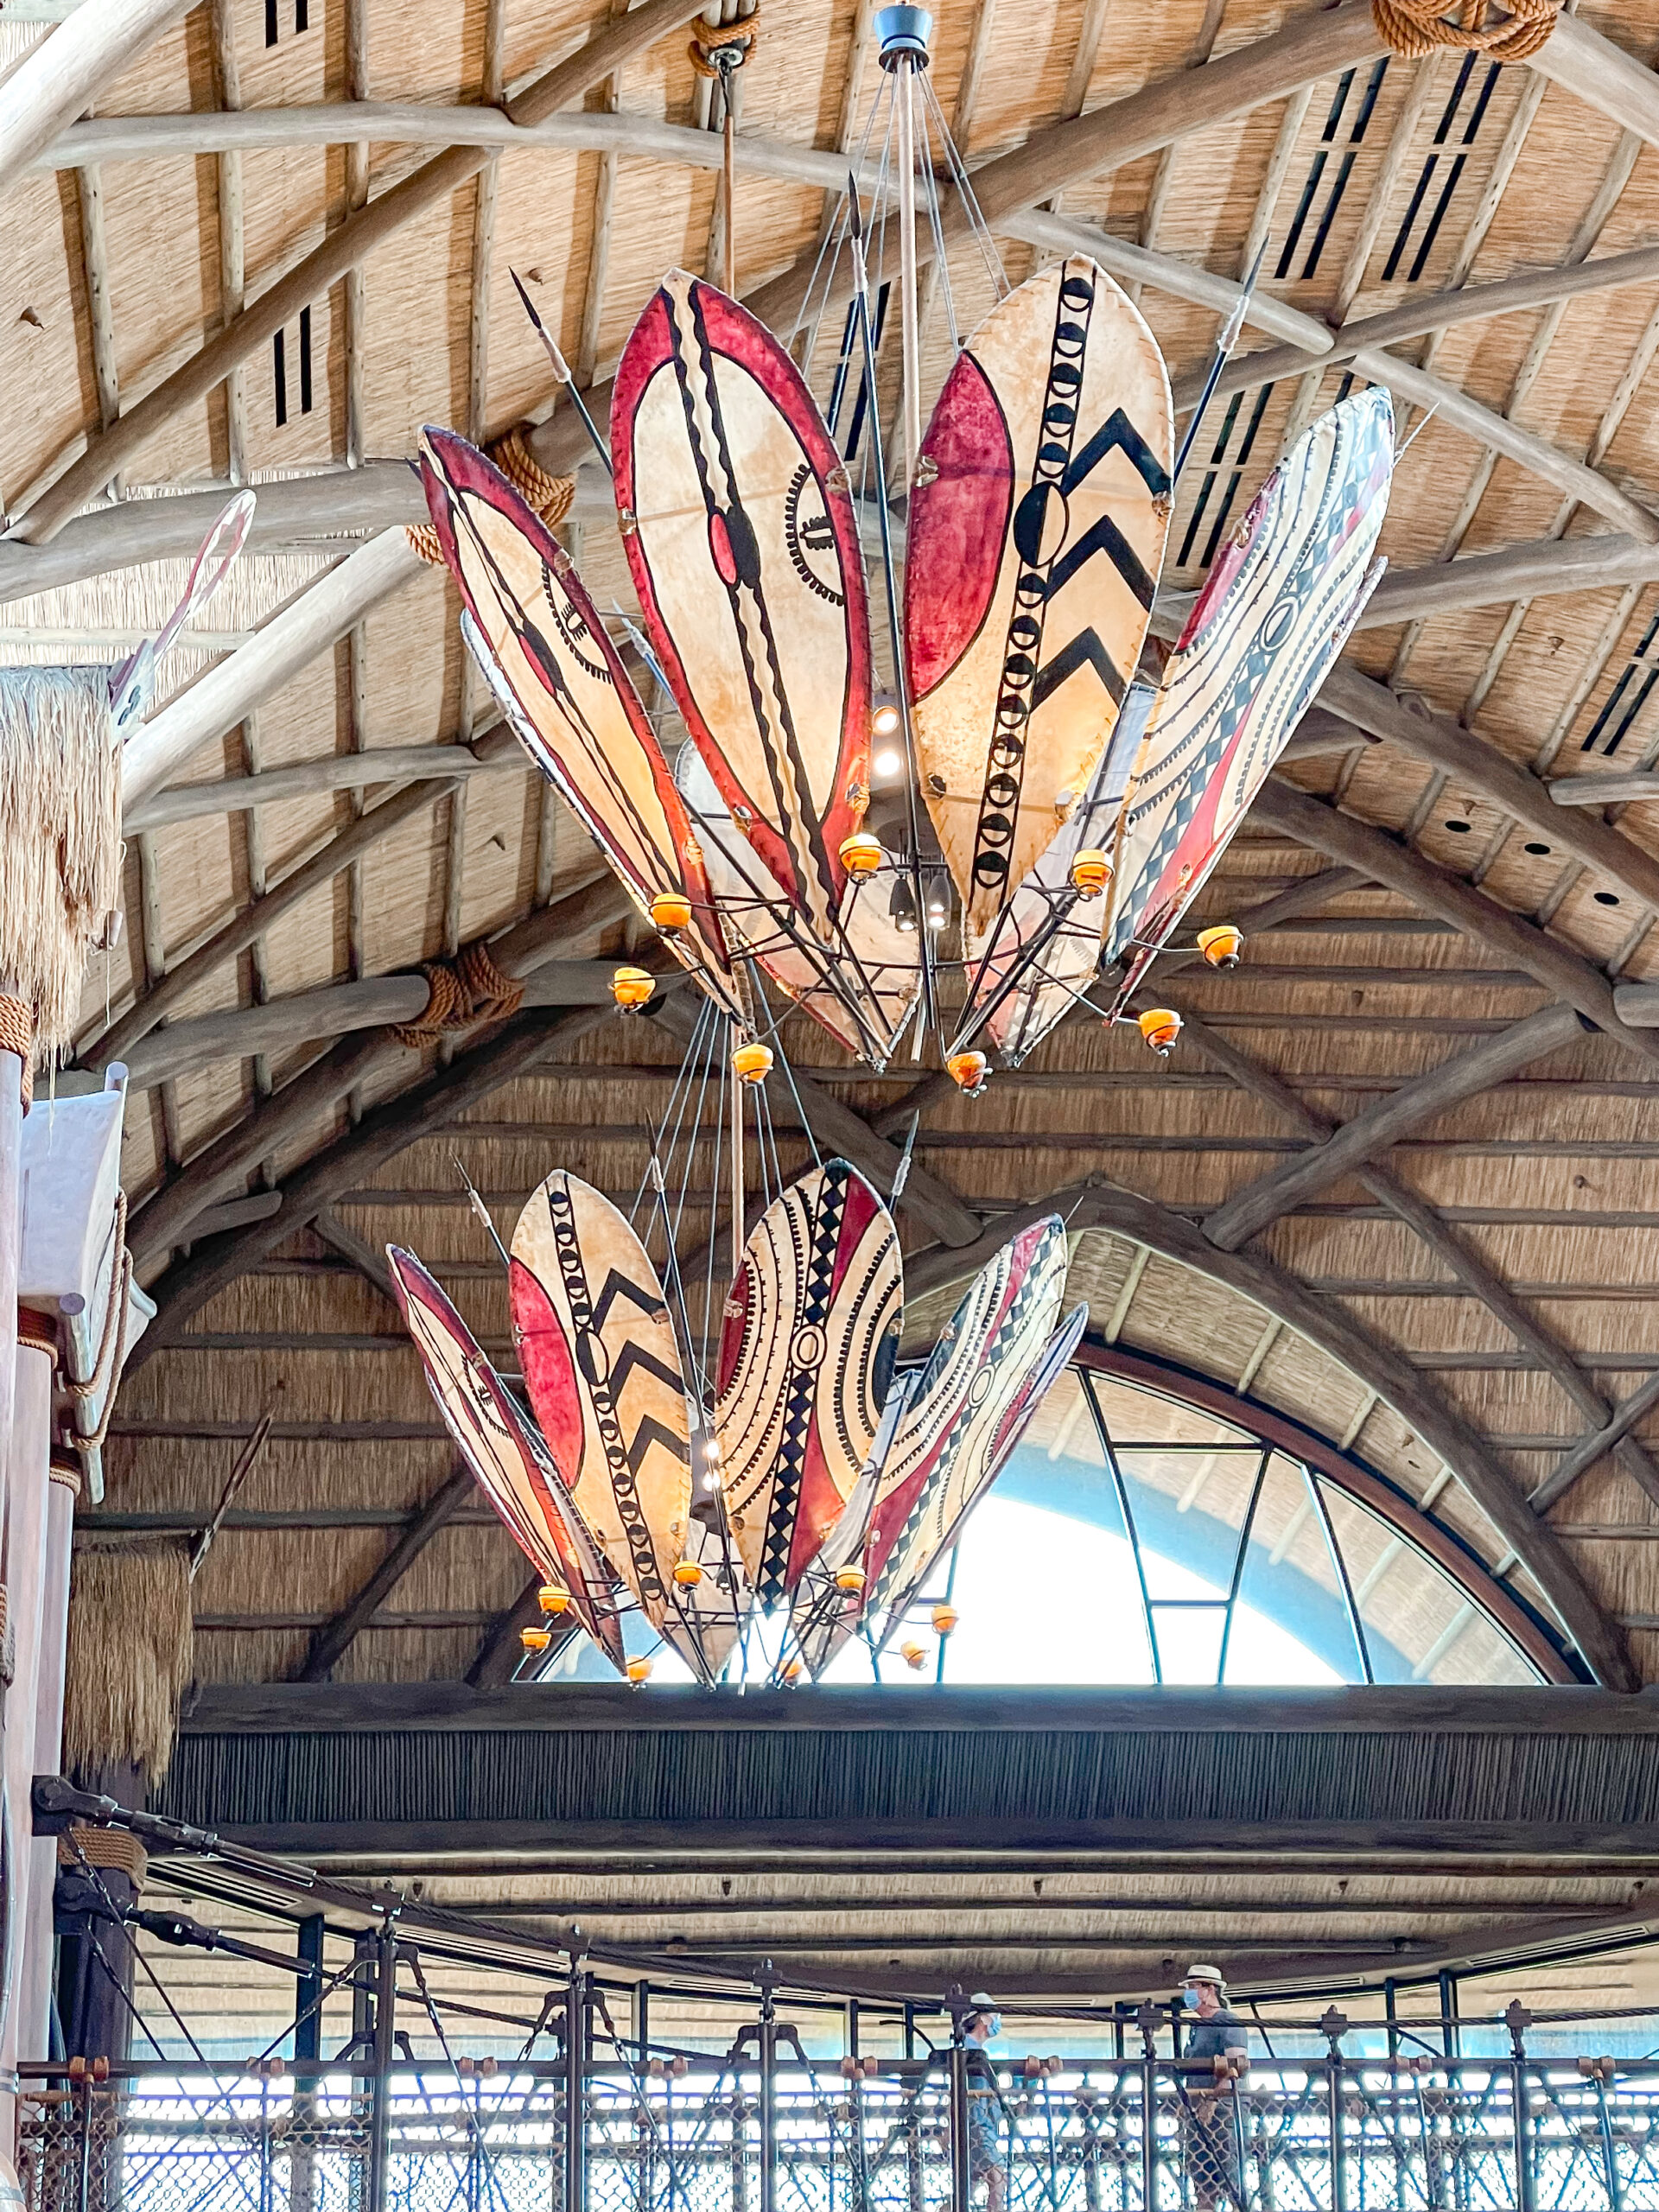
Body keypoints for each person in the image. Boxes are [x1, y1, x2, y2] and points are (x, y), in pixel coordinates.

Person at [1178, 1966, 1246, 2211]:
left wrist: (1214, 2101)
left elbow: (1236, 2068)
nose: (1189, 1993)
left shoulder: (1227, 2022)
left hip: (1223, 2113)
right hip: (1198, 2112)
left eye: (1193, 1987)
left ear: (1209, 1989)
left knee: (1228, 2176)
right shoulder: (1198, 2027)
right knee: (1202, 2178)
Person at [961, 1995, 1006, 2212]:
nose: (997, 2022)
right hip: (978, 2125)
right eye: (994, 2016)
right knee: (998, 2179)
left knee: (966, 2188)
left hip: (976, 2125)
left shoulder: (972, 2050)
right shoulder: (969, 2051)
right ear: (984, 2019)